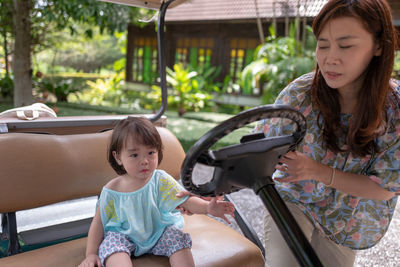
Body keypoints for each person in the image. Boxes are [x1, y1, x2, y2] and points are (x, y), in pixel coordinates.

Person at [254, 0, 400, 266]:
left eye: (345, 45)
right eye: (322, 45)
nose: (330, 57)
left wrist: (317, 171)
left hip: (349, 213)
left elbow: (385, 188)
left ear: (378, 45)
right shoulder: (300, 95)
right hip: (293, 199)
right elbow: (259, 149)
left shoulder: (395, 109)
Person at [78, 116, 235, 267]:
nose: (145, 161)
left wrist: (208, 208)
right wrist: (91, 254)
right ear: (118, 157)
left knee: (177, 238)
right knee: (112, 247)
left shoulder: (160, 179)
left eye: (151, 153)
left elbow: (186, 200)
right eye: (134, 155)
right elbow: (98, 223)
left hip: (158, 231)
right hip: (123, 236)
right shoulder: (112, 191)